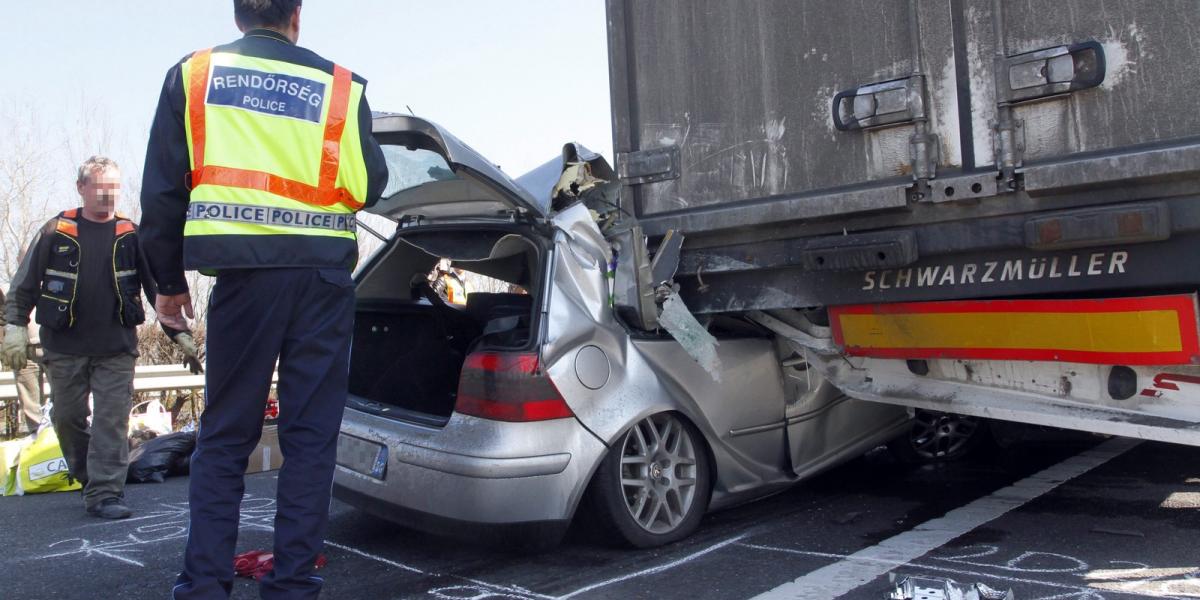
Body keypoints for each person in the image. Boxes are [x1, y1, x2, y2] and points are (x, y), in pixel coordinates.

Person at [139, 1, 387, 597]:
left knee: (225, 438)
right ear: (296, 14)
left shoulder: (194, 75)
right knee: (309, 440)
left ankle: (202, 587)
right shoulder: (340, 86)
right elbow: (370, 185)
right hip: (323, 280)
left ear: (237, 13)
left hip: (245, 279)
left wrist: (168, 286)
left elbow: (164, 191)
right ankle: (293, 585)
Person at [1, 156, 200, 519]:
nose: (108, 194)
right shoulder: (56, 230)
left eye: (114, 187)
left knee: (111, 420)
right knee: (67, 419)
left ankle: (106, 494)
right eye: (99, 186)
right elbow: (25, 284)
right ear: (81, 188)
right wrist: (14, 326)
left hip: (116, 350)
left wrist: (179, 334)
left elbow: (159, 291)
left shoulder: (131, 234)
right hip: (64, 348)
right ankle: (90, 478)